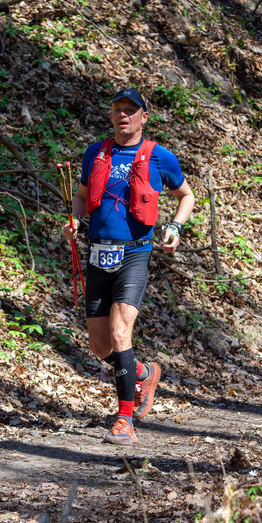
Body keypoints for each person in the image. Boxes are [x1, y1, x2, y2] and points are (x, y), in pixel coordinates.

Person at [63, 88, 195, 445]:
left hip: (135, 254)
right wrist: (75, 220)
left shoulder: (159, 156)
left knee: (121, 333)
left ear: (143, 117)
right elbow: (81, 196)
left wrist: (176, 227)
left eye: (131, 110)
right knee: (100, 345)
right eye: (118, 109)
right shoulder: (95, 153)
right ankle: (142, 372)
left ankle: (124, 421)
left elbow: (186, 195)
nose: (124, 115)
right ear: (111, 116)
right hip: (98, 253)